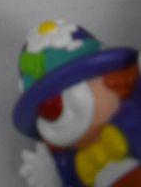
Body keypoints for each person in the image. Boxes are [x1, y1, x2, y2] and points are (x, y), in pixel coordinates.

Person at [14, 19, 141, 187]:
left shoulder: (133, 113)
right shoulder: (72, 165)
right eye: (47, 109)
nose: (53, 109)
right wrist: (51, 179)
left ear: (116, 79)